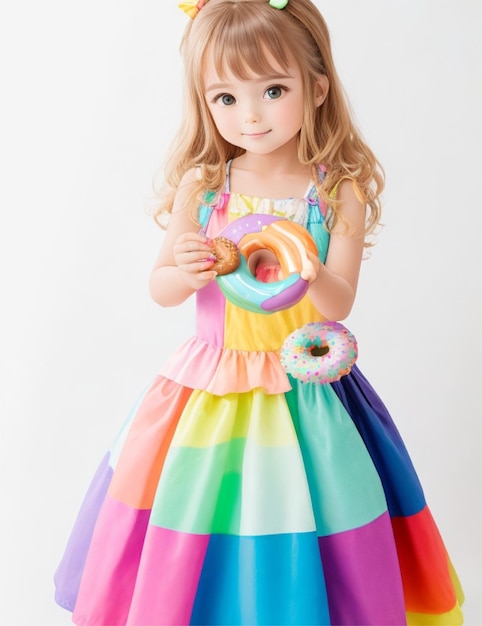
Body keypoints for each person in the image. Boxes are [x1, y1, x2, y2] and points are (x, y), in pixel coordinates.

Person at [54, 1, 464, 624]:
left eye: (273, 89)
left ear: (317, 87)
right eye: (224, 97)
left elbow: (341, 301)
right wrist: (186, 268)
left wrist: (310, 269)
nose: (249, 115)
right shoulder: (206, 185)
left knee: (309, 512)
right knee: (202, 518)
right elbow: (162, 287)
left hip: (308, 388)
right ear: (203, 101)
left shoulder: (334, 191)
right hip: (210, 388)